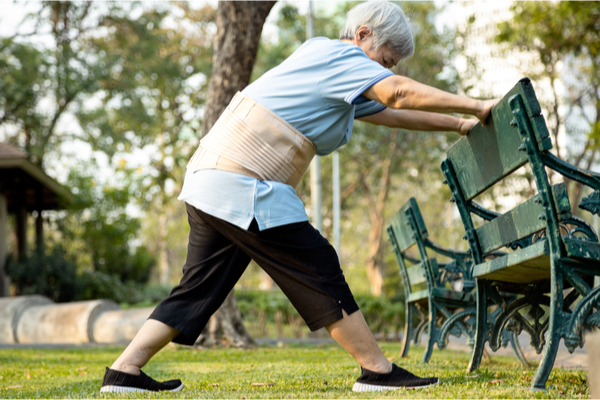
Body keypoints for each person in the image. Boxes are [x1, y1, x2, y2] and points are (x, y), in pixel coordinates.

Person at [100, 1, 498, 393]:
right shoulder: (336, 57)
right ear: (362, 35)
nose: (385, 71)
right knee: (317, 264)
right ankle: (377, 370)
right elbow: (397, 95)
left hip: (213, 178)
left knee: (199, 286)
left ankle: (124, 371)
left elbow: (393, 112)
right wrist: (478, 103)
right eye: (385, 60)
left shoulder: (333, 68)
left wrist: (460, 123)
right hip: (242, 181)